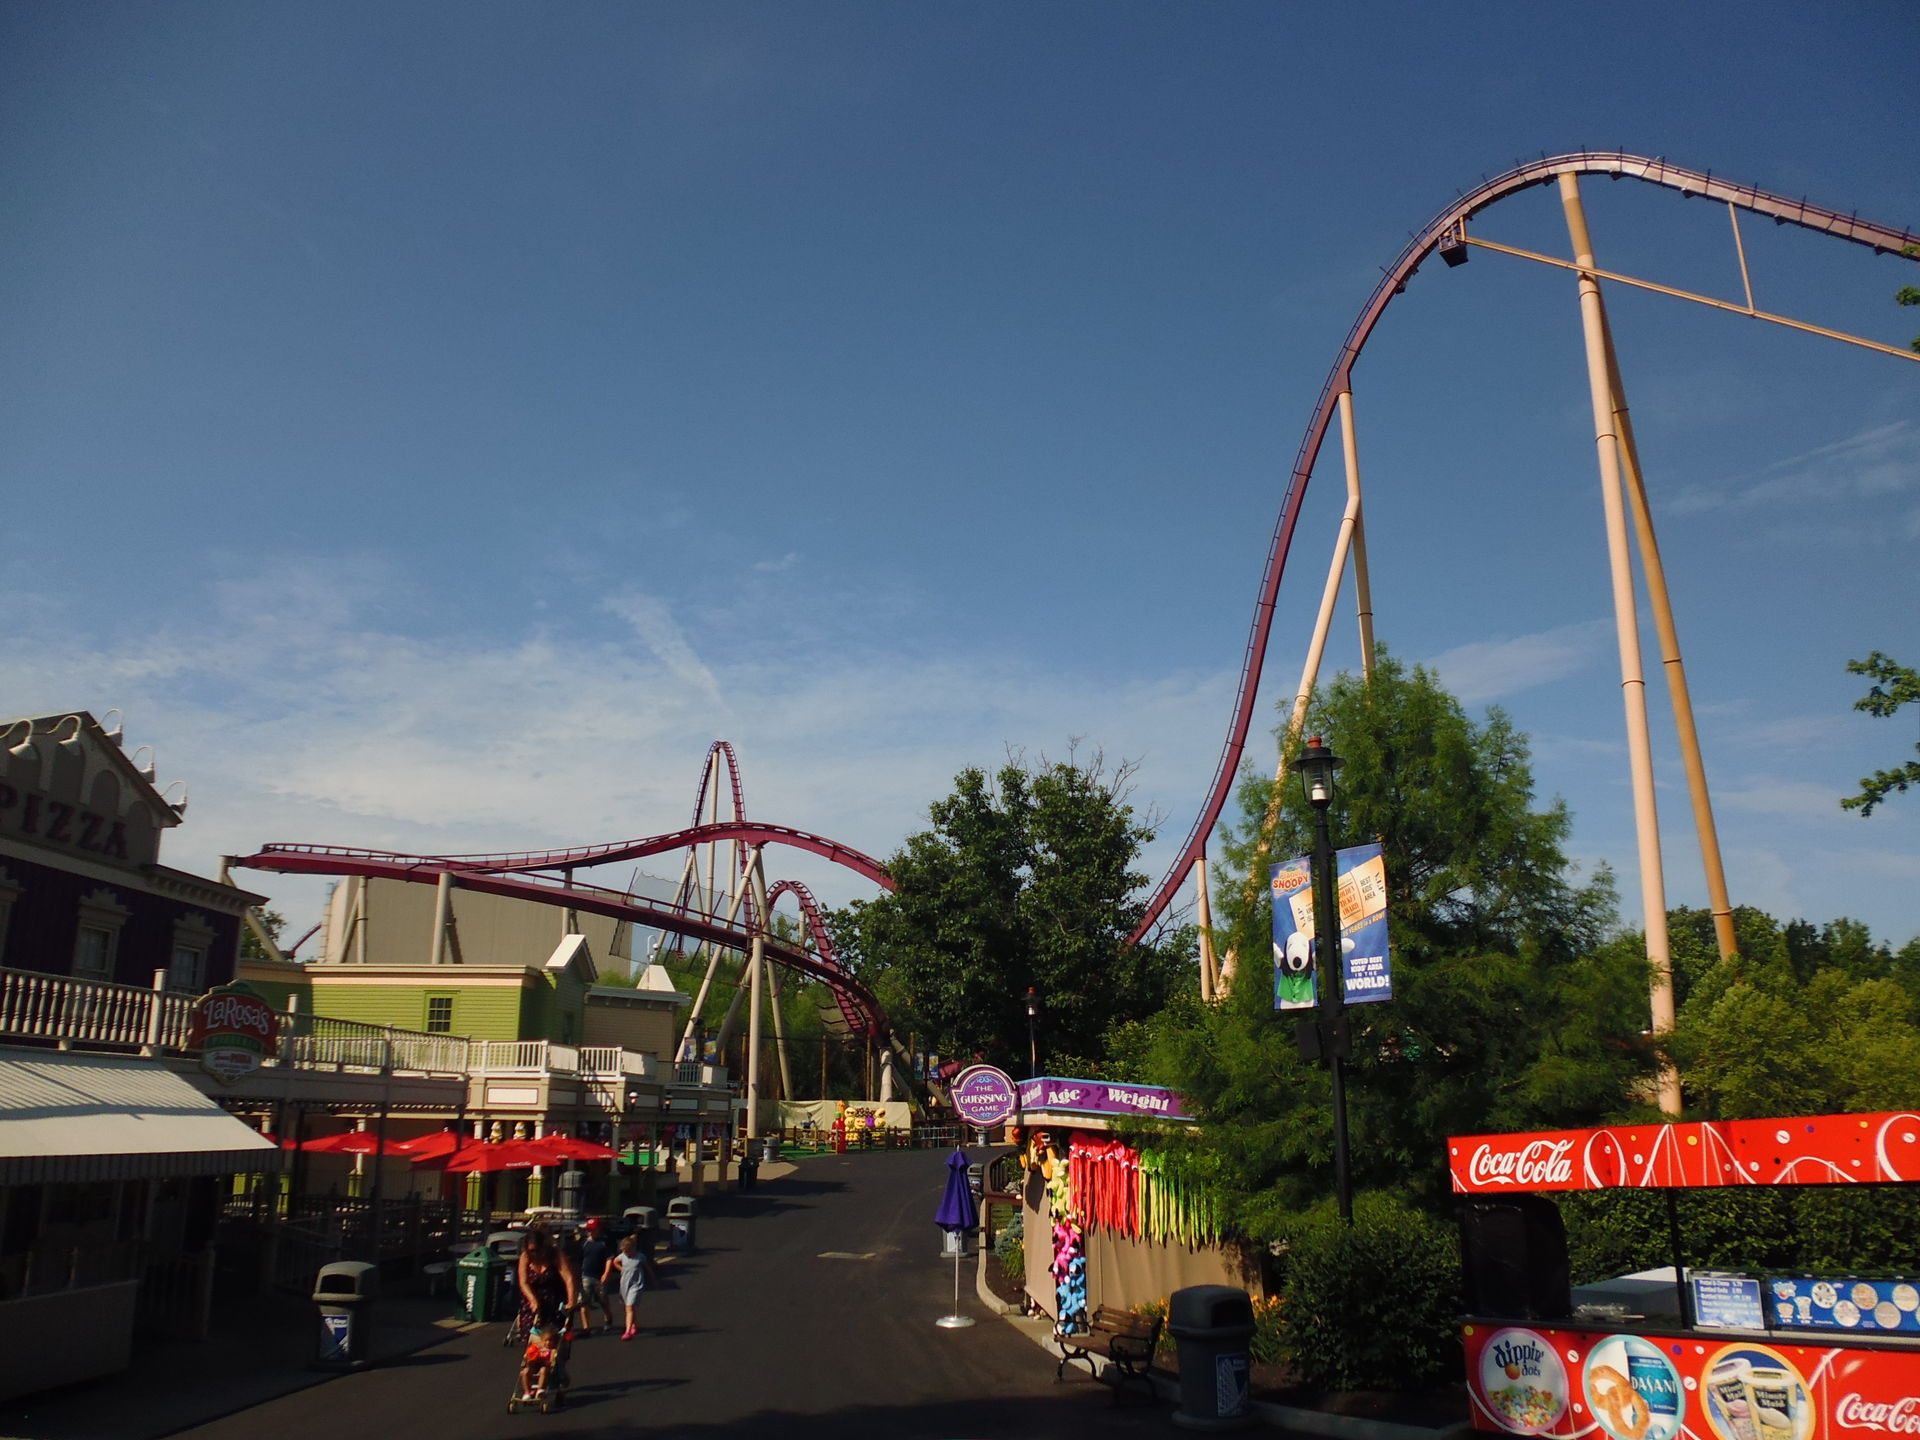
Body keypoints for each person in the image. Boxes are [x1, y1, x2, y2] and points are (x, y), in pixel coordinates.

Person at [516, 1222, 578, 1335]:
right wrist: (533, 1300)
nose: (534, 1254)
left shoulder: (555, 1255)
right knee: (531, 1336)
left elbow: (569, 1278)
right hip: (533, 1302)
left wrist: (571, 1300)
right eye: (531, 1251)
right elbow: (523, 1282)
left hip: (555, 1302)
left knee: (555, 1338)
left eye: (537, 1250)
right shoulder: (525, 1257)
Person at [574, 1218, 616, 1337]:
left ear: (598, 1229)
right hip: (586, 1275)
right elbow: (579, 1259)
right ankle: (586, 1327)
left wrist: (606, 1273)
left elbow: (609, 1258)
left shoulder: (604, 1242)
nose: (590, 1232)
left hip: (599, 1276)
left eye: (592, 1230)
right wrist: (577, 1274)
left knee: (603, 1300)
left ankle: (608, 1318)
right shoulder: (584, 1242)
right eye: (588, 1230)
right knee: (584, 1302)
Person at [605, 1231, 648, 1341]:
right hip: (625, 1284)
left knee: (629, 1306)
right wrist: (621, 1269)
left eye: (628, 1251)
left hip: (636, 1285)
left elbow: (647, 1268)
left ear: (633, 1249)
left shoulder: (640, 1257)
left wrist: (653, 1279)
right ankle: (634, 1325)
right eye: (624, 1252)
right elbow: (615, 1261)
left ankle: (627, 1331)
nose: (626, 1254)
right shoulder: (623, 1256)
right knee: (628, 1307)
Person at [518, 1318, 561, 1401]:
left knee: (543, 1370)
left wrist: (545, 1361)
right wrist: (528, 1356)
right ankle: (527, 1392)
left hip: (544, 1367)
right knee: (525, 1372)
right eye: (546, 1340)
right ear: (542, 1340)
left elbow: (552, 1362)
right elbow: (529, 1354)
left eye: (550, 1341)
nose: (548, 1343)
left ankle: (540, 1390)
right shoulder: (537, 1347)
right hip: (533, 1367)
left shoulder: (552, 1350)